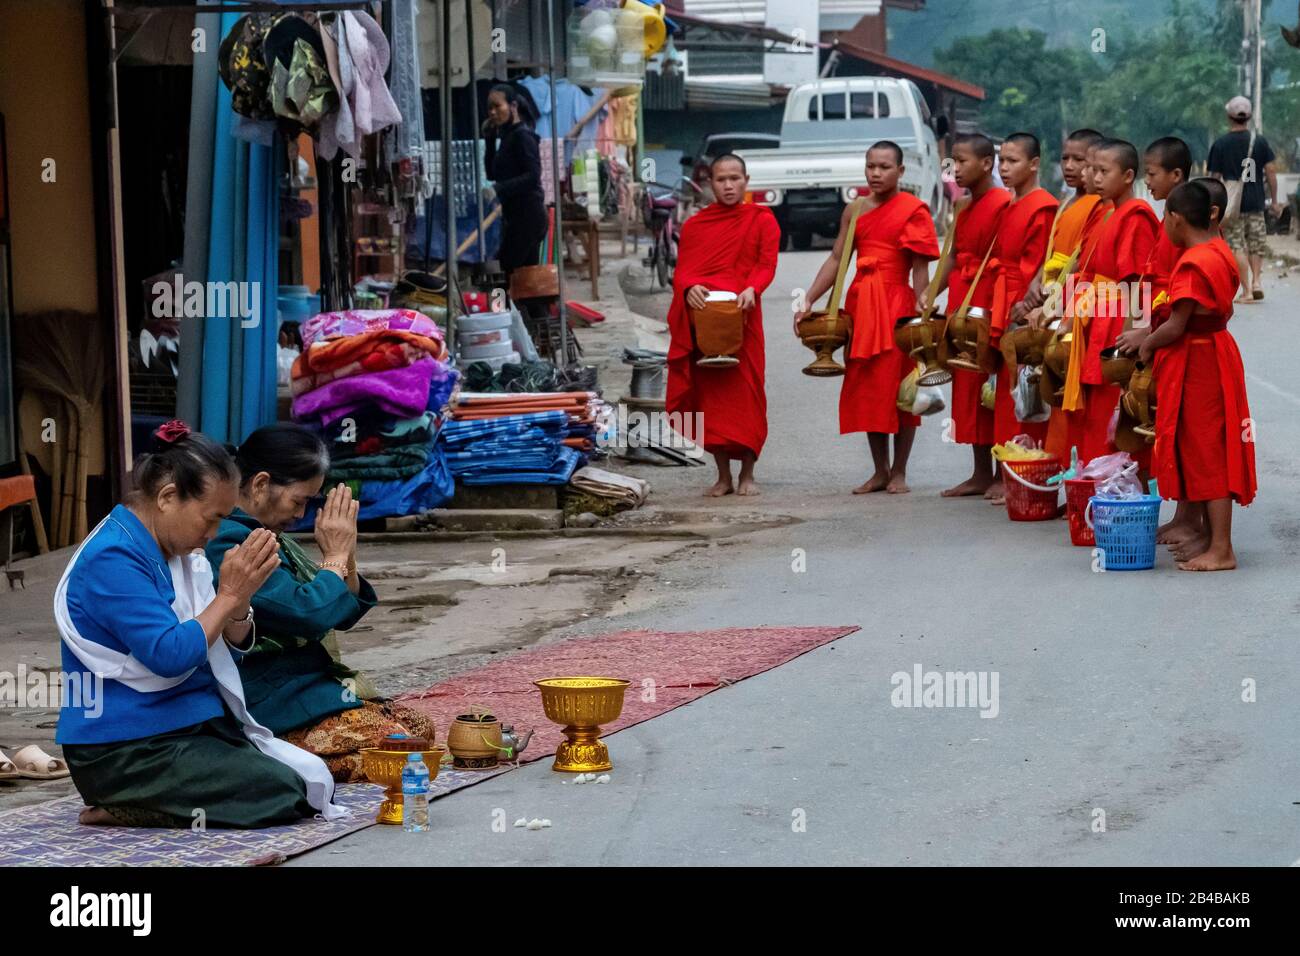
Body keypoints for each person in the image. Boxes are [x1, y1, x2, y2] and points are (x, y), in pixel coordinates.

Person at [54, 422, 341, 828]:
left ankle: (154, 799)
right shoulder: (112, 557)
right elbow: (170, 655)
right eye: (210, 519)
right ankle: (125, 803)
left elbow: (234, 640)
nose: (213, 534)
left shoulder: (180, 550)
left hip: (189, 724)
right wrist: (227, 596)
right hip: (123, 748)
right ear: (169, 497)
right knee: (280, 791)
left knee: (308, 778)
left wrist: (237, 601)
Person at [206, 423, 435, 782]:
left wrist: (347, 556)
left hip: (307, 685)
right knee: (404, 752)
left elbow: (340, 612)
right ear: (261, 484)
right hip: (269, 697)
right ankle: (272, 764)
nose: (301, 514)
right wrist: (335, 556)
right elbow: (310, 612)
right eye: (299, 501)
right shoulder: (229, 541)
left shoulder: (270, 535)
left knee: (419, 727)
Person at [1116, 181, 1255, 570]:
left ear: (1176, 219)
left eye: (1166, 218)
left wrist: (1146, 345)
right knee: (1204, 446)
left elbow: (1177, 326)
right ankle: (1210, 538)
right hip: (1212, 352)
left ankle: (1222, 549)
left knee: (1207, 450)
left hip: (1200, 360)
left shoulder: (1196, 262)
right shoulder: (1217, 250)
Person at [795, 141, 939, 494]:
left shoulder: (913, 209)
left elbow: (920, 267)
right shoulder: (854, 210)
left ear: (901, 172)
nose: (876, 173)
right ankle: (880, 469)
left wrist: (924, 309)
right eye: (871, 166)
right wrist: (809, 298)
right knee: (869, 388)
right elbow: (836, 258)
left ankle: (900, 471)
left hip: (896, 306)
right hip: (861, 306)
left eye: (885, 167)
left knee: (902, 389)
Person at [667, 154, 780, 497]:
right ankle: (722, 475)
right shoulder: (695, 226)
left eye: (735, 178)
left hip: (743, 318)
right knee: (711, 396)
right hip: (706, 323)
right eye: (721, 180)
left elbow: (766, 263)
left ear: (746, 180)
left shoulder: (762, 219)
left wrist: (752, 288)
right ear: (709, 183)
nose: (728, 186)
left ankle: (748, 473)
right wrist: (689, 289)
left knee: (746, 391)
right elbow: (683, 271)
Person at [1063, 139, 1160, 464]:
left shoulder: (1136, 216)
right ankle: (1092, 487)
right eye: (1094, 170)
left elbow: (1139, 283)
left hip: (1116, 324)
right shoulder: (1111, 214)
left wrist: (1136, 336)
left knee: (1113, 407)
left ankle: (1115, 491)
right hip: (1097, 318)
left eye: (1104, 171)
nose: (1096, 177)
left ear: (1129, 175)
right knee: (1094, 413)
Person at [1015, 128, 1105, 464]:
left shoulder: (1098, 205)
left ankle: (1074, 472)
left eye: (1080, 160)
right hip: (1052, 294)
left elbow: (1082, 259)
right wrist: (1035, 285)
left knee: (1071, 393)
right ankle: (1054, 469)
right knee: (1050, 387)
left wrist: (1055, 303)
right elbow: (1053, 251)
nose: (1071, 167)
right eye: (1066, 158)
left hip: (1071, 299)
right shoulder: (1067, 201)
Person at [933, 134, 1010, 497]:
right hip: (962, 295)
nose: (955, 169)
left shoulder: (1003, 203)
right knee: (966, 381)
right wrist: (930, 293)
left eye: (962, 161)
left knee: (991, 383)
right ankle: (980, 471)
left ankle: (1002, 472)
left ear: (986, 164)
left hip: (989, 293)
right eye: (952, 162)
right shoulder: (963, 206)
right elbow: (952, 254)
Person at [986, 132, 1058, 500]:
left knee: (1027, 386)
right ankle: (1009, 470)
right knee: (1006, 389)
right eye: (1001, 160)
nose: (1004, 167)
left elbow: (1043, 262)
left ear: (1034, 164)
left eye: (1012, 161)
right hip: (1004, 294)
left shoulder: (1042, 205)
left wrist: (1027, 304)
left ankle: (1029, 471)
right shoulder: (1012, 203)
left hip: (1022, 300)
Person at [1207, 96, 1283, 302]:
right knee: (1256, 243)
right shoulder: (1259, 141)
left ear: (1229, 117)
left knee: (1236, 245)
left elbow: (1213, 178)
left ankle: (1247, 289)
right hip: (1256, 202)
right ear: (1248, 117)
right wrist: (1274, 201)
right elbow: (1271, 172)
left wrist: (1212, 206)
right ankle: (1257, 280)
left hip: (1232, 205)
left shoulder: (1220, 144)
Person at [483, 84, 548, 277]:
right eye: (489, 108)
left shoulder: (523, 136)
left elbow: (533, 176)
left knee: (501, 273)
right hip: (515, 217)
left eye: (497, 106)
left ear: (513, 107)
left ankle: (501, 307)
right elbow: (491, 174)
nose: (493, 112)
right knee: (525, 280)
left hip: (528, 216)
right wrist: (489, 141)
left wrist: (499, 188)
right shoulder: (507, 137)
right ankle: (534, 308)